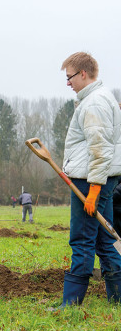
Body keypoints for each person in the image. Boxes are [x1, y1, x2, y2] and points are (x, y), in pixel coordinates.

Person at [60, 52, 121, 306]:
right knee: (105, 238)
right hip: (100, 179)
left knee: (82, 238)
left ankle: (71, 302)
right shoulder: (100, 97)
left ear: (83, 74)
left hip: (91, 181)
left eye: (70, 77)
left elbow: (100, 148)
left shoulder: (94, 102)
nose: (68, 83)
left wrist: (94, 189)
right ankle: (117, 299)